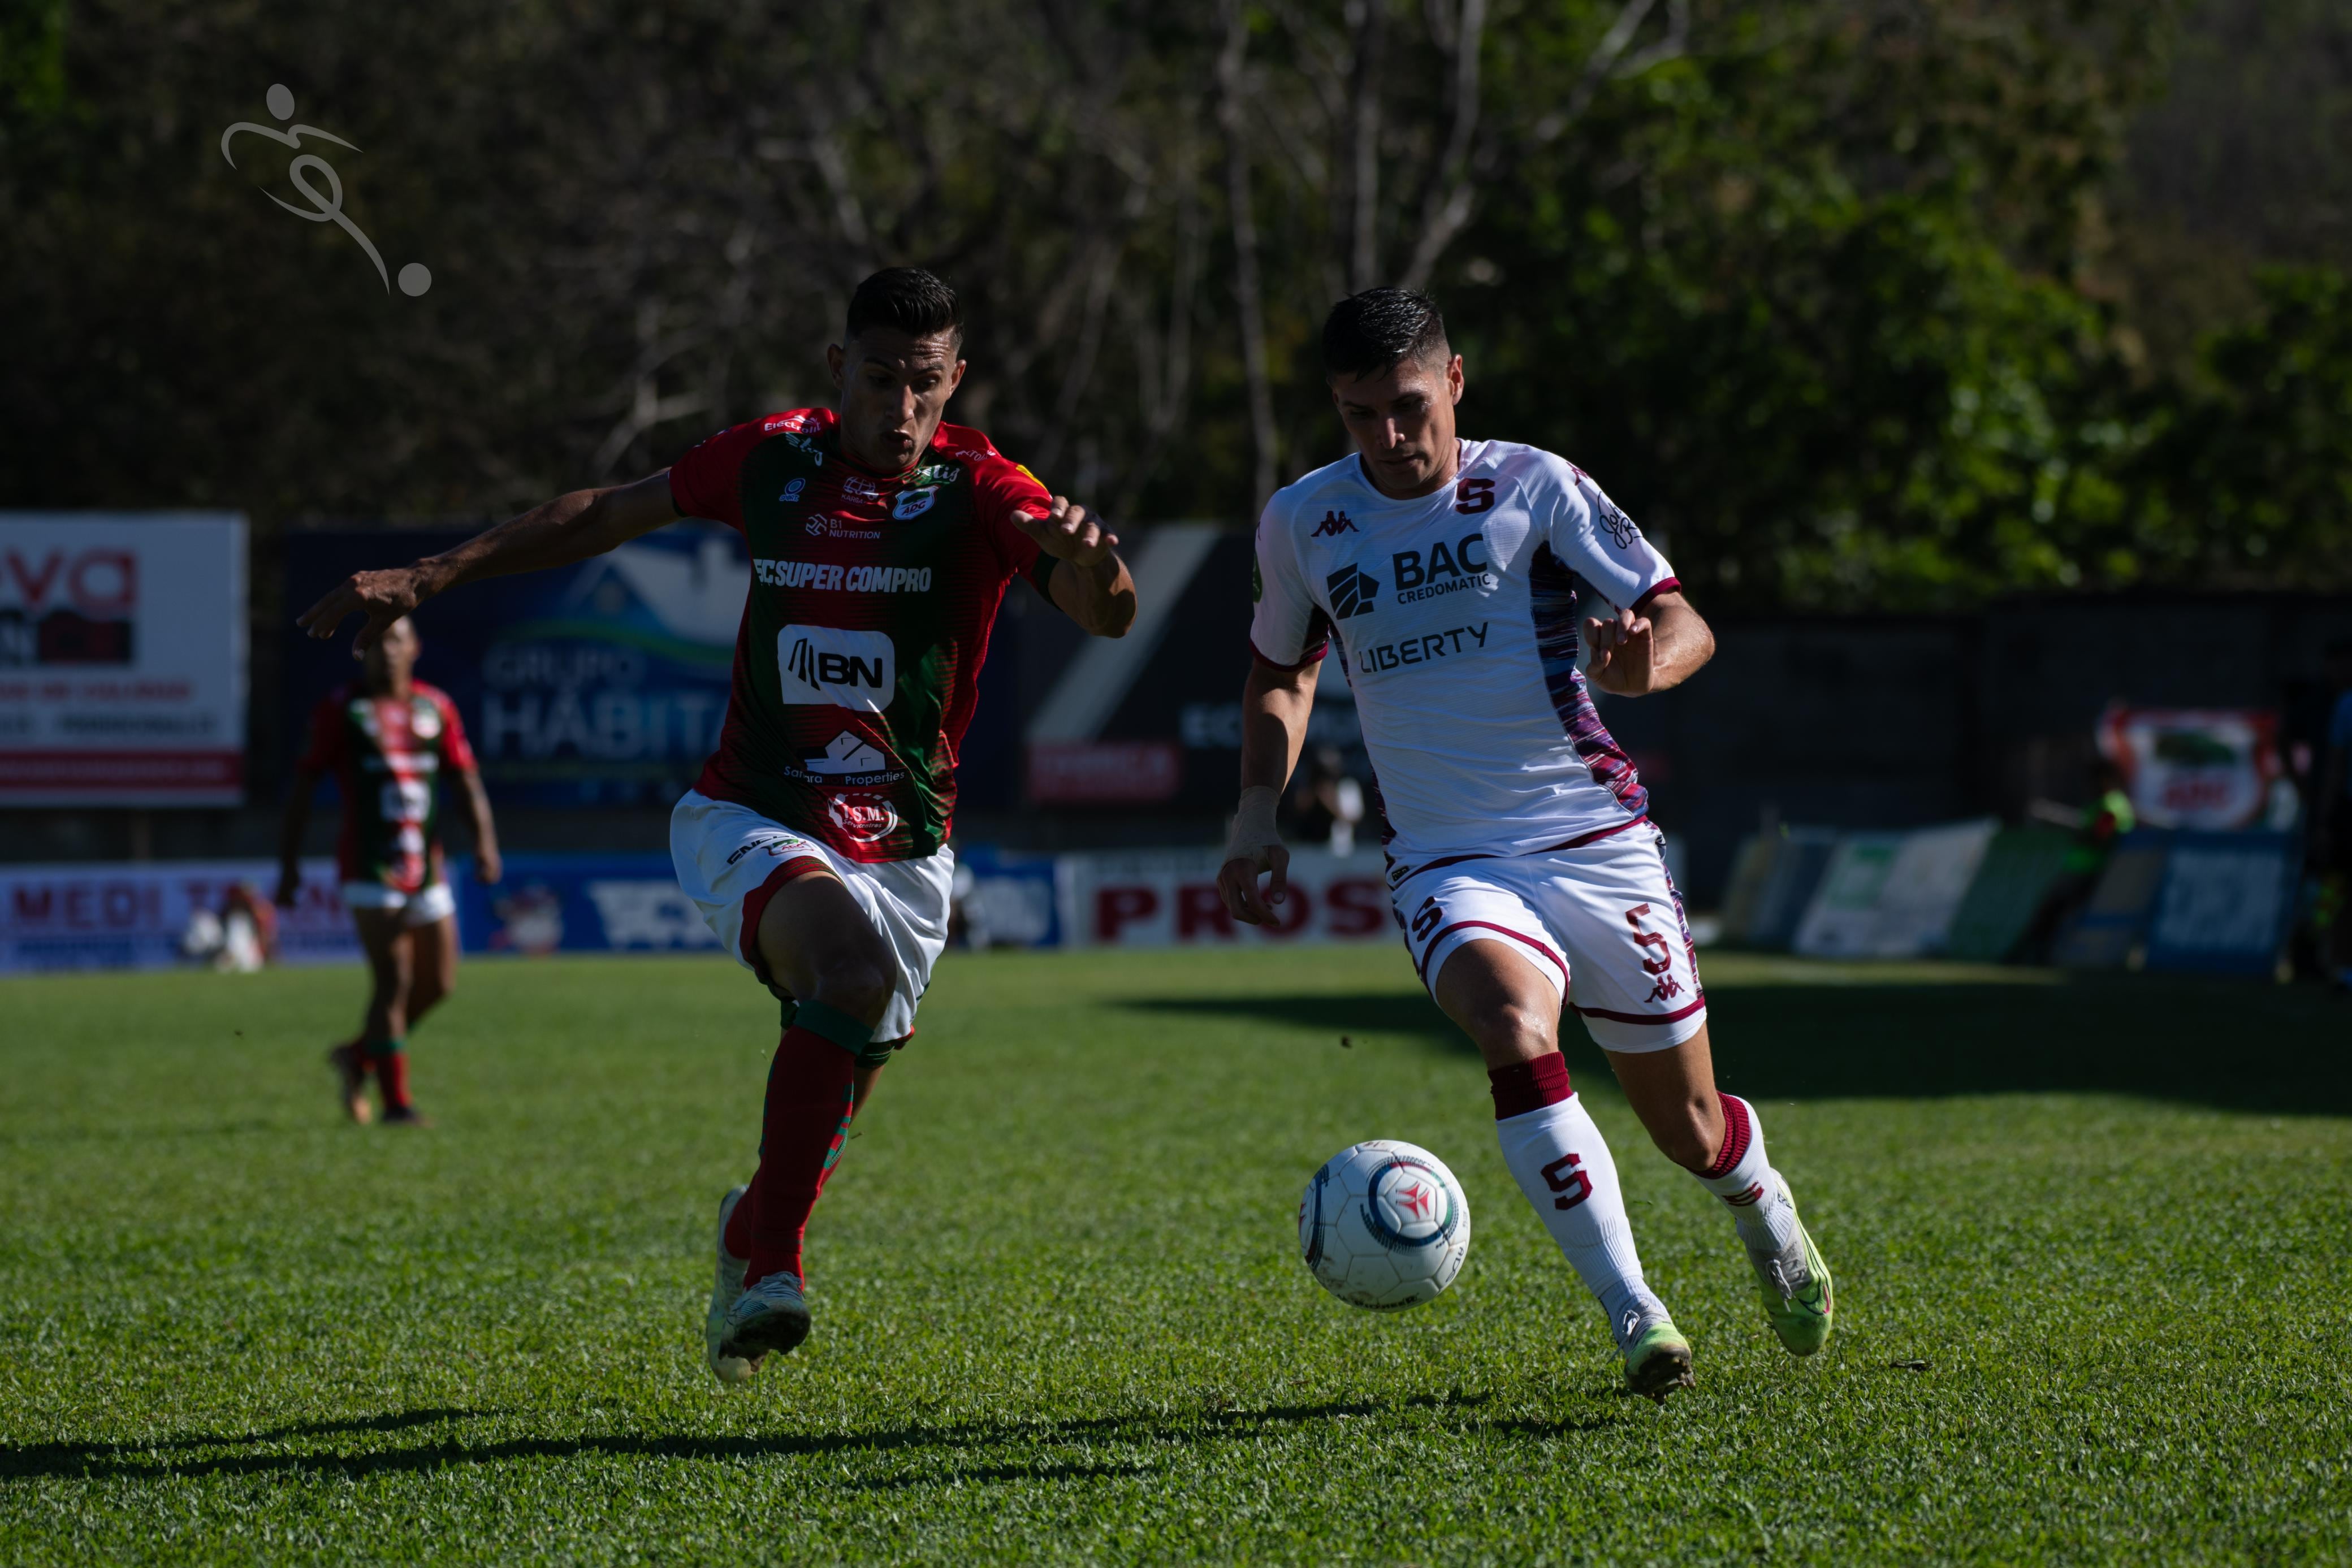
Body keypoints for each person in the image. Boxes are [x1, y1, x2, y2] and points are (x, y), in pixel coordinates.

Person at [295, 268, 1136, 1379]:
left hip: (907, 851)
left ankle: (748, 1229)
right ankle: (774, 1268)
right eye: (878, 379)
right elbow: (607, 511)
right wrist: (434, 571)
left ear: (955, 383)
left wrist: (1098, 565)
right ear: (837, 368)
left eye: (923, 386)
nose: (899, 409)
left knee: (848, 1065)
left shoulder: (983, 489)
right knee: (842, 970)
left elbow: (1102, 611)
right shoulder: (772, 459)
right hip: (750, 809)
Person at [1218, 288, 1831, 1400]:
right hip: (1449, 858)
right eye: (1360, 416)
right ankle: (1634, 1312)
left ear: (1454, 381)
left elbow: (1680, 618)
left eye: (1408, 407)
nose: (1389, 439)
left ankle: (1765, 1208)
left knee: (1689, 1130)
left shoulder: (1535, 485)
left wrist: (1645, 666)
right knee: (1508, 1022)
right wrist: (1258, 808)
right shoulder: (1304, 520)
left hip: (1597, 841)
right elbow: (1280, 670)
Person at [278, 616, 501, 1126]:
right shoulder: (343, 709)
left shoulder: (436, 706)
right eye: (375, 644)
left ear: (415, 646)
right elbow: (303, 790)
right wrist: (289, 866)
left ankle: (358, 1057)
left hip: (427, 864)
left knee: (439, 983)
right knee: (393, 979)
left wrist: (485, 844)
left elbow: (465, 781)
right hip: (368, 863)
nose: (386, 653)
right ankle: (397, 1104)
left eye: (395, 641)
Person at [2316, 638, 2352, 990]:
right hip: (2349, 813)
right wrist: (2327, 819)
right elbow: (2336, 767)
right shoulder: (2346, 705)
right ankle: (2337, 963)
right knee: (2341, 891)